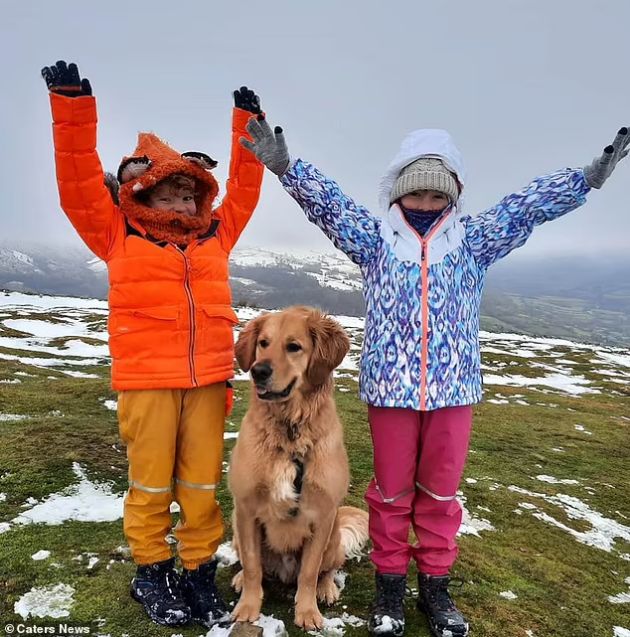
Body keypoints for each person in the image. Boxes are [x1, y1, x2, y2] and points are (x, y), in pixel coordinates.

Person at [240, 116, 629, 637]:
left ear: (453, 195)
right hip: (391, 394)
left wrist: (583, 179)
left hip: (453, 393)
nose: (425, 202)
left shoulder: (473, 243)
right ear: (400, 193)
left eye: (436, 193)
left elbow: (526, 208)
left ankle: (436, 588)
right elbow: (329, 206)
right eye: (415, 191)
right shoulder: (377, 241)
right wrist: (288, 168)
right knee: (392, 496)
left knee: (441, 497)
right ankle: (389, 591)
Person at [41, 60, 265, 629]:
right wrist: (71, 107)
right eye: (173, 194)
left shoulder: (217, 235)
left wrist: (247, 126)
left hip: (209, 381)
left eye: (191, 196)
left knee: (199, 483)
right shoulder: (118, 233)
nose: (185, 206)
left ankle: (196, 571)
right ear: (145, 192)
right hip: (147, 383)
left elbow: (244, 188)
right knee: (149, 484)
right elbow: (76, 184)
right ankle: (151, 571)